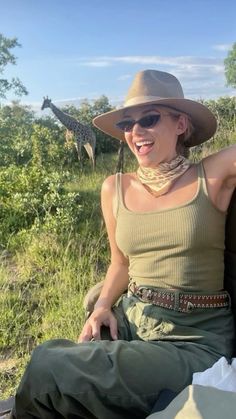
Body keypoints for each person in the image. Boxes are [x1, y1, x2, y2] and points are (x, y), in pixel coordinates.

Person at [12, 69, 236, 419]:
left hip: (192, 337)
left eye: (149, 119)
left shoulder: (212, 176)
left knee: (48, 367)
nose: (136, 132)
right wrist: (103, 305)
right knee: (60, 362)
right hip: (132, 314)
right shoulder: (114, 187)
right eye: (127, 124)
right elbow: (120, 262)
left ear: (180, 124)